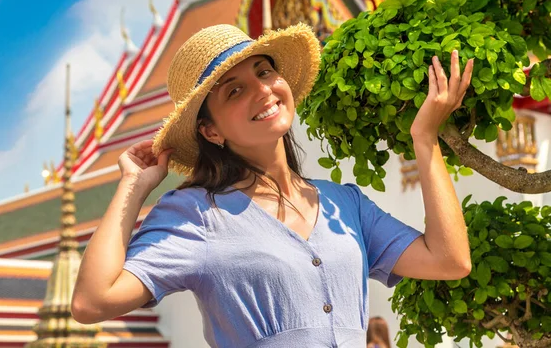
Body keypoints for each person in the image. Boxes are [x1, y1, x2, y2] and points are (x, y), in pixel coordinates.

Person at [72, 23, 474, 347]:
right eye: (235, 90)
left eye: (264, 72)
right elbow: (93, 301)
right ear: (210, 131)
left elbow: (449, 259)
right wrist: (133, 186)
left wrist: (425, 138)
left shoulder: (343, 203)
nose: (263, 89)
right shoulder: (195, 215)